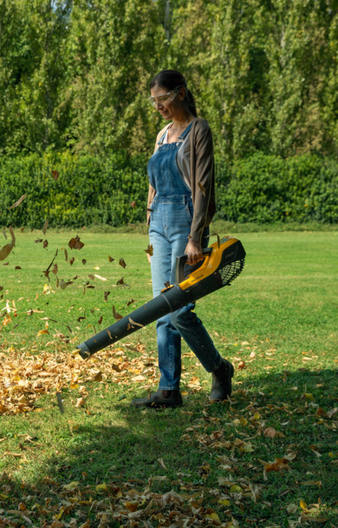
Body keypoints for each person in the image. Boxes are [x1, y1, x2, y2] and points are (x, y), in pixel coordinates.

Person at [131, 69, 234, 409]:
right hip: (158, 223)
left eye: (162, 98)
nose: (158, 105)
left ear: (180, 93)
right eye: (154, 100)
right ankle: (169, 389)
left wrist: (195, 237)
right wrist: (149, 230)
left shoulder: (198, 130)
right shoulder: (162, 135)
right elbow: (153, 186)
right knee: (161, 310)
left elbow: (203, 185)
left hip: (186, 223)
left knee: (179, 310)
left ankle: (220, 370)